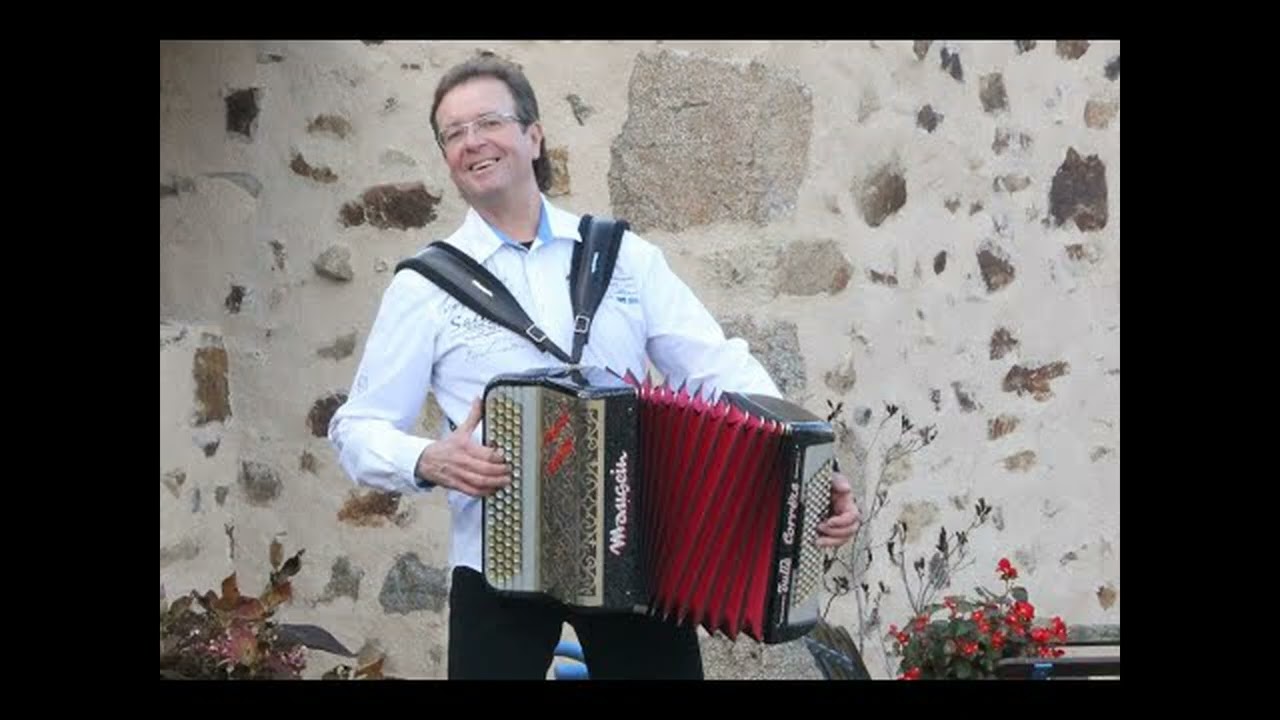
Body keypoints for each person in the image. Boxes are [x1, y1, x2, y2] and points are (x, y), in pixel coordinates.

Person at [327, 53, 861, 680]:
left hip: (638, 560)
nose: (472, 142)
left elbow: (720, 367)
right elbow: (356, 427)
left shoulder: (623, 258)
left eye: (488, 122)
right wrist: (428, 459)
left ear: (533, 134)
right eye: (453, 133)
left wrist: (807, 466)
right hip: (498, 569)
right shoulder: (426, 286)